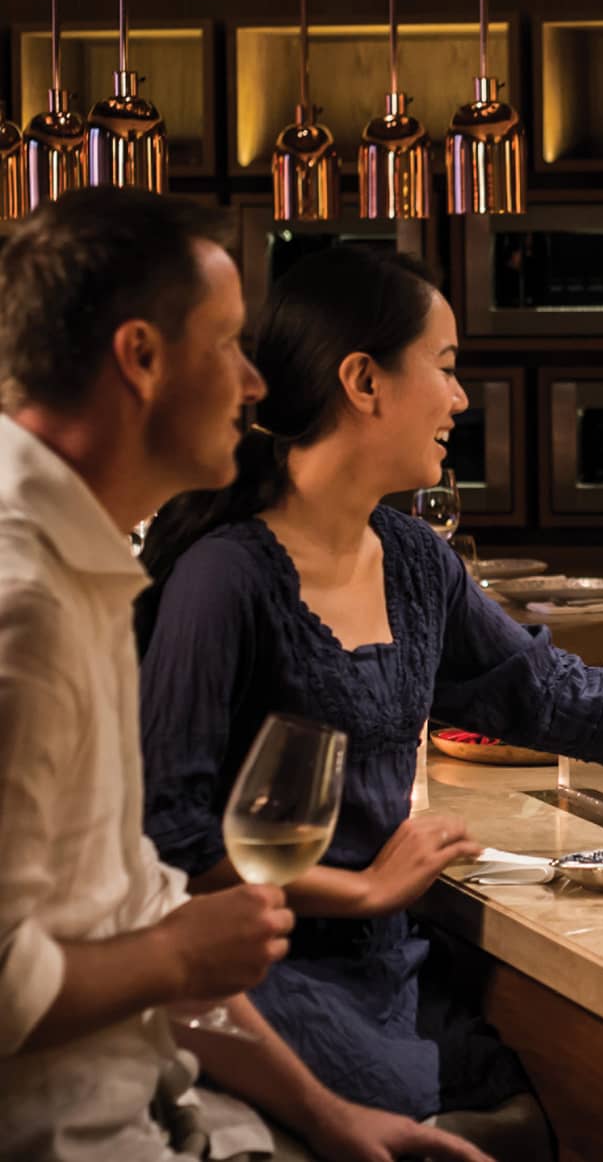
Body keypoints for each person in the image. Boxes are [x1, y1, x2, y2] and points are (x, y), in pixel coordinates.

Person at [136, 245, 603, 1158]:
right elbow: (173, 846)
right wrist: (363, 889)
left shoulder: (413, 562)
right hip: (265, 975)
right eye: (444, 369)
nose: (460, 400)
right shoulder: (226, 578)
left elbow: (568, 701)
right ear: (364, 380)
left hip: (389, 970)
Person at [0, 188, 490, 1162]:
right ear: (140, 359)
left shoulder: (88, 566)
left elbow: (137, 925)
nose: (257, 383)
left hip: (160, 1109)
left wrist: (332, 1119)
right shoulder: (27, 610)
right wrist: (182, 947)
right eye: (226, 345)